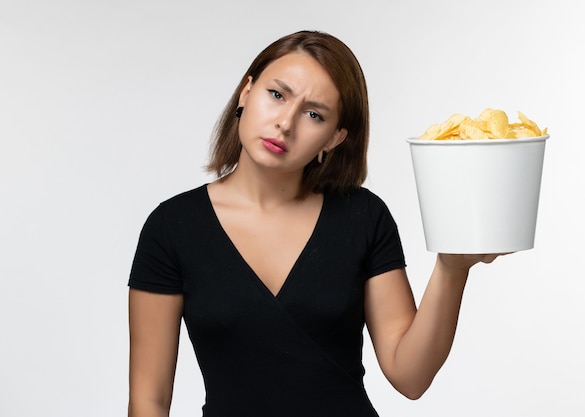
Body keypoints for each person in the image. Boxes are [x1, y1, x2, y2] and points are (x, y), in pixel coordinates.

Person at [127, 30, 503, 417]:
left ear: (335, 138)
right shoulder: (172, 228)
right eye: (277, 95)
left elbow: (410, 377)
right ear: (246, 93)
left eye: (314, 114)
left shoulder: (363, 217)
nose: (286, 123)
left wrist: (451, 269)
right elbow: (148, 400)